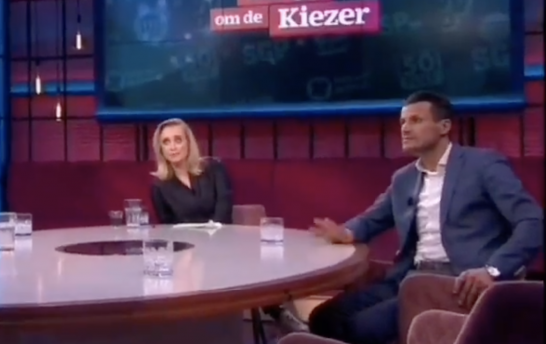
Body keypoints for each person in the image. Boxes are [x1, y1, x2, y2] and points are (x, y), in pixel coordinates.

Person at [307, 91, 543, 344]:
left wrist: (493, 270)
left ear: (444, 127)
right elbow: (373, 218)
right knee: (323, 318)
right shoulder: (404, 178)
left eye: (416, 120)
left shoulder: (483, 165)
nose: (406, 128)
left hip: (458, 282)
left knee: (362, 329)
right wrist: (346, 232)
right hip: (409, 276)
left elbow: (532, 222)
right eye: (403, 122)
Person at [148, 118, 307, 333]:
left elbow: (224, 206)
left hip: (223, 239)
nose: (173, 147)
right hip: (188, 251)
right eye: (166, 142)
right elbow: (168, 227)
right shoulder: (160, 186)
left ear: (188, 142)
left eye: (178, 140)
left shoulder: (214, 168)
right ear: (160, 149)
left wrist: (211, 235)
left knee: (246, 260)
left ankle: (278, 313)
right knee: (181, 270)